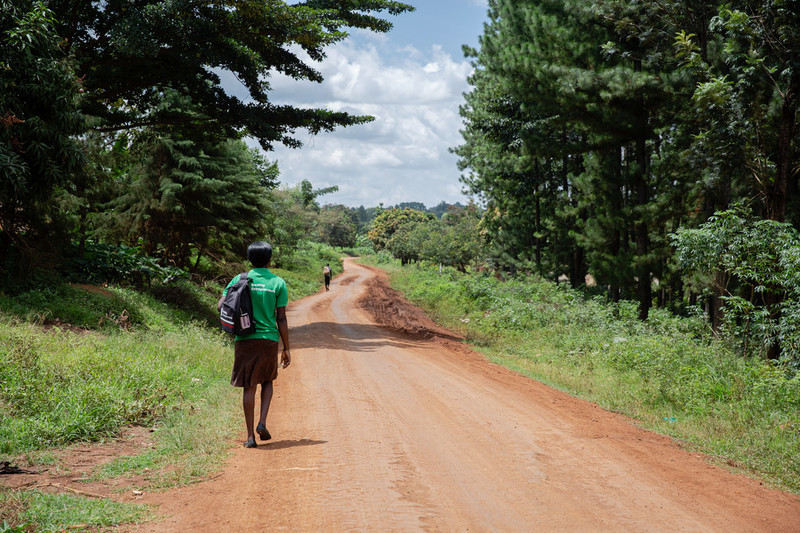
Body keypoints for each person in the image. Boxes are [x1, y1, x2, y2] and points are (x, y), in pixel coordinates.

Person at [218, 241, 291, 448]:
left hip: (245, 338)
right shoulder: (278, 283)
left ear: (249, 259)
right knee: (267, 380)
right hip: (268, 339)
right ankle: (262, 422)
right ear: (269, 259)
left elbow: (221, 304)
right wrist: (286, 347)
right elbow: (282, 318)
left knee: (249, 386)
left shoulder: (239, 279)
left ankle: (250, 437)